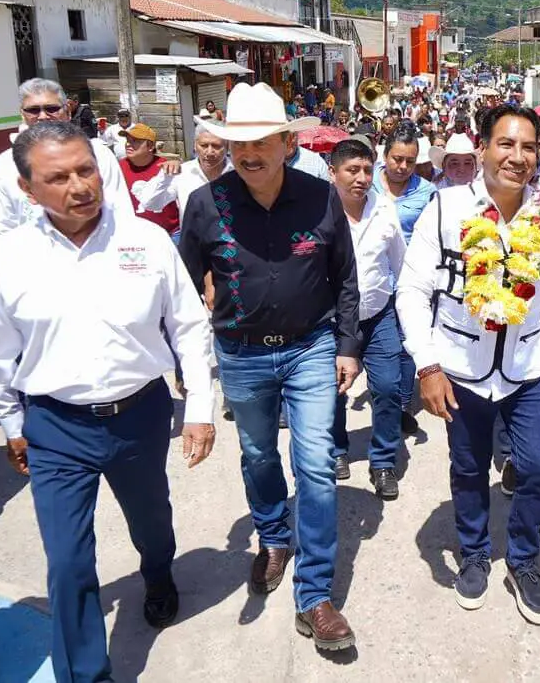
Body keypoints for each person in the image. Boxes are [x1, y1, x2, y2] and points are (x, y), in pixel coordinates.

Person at [0, 121, 217, 681]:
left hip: (141, 414)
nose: (79, 186)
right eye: (58, 177)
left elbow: (188, 326)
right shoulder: (10, 256)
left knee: (151, 519)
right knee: (67, 562)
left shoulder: (144, 240)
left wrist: (200, 410)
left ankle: (158, 572)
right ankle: (87, 673)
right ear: (28, 189)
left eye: (86, 170)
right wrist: (11, 422)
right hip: (56, 426)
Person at [177, 82, 361, 651]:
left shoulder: (320, 196)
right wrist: (187, 357)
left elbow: (345, 276)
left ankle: (315, 595)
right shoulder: (205, 204)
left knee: (317, 465)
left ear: (287, 143)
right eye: (239, 143)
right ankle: (274, 537)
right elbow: (180, 286)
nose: (249, 153)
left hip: (311, 348)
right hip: (240, 353)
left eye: (261, 141)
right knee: (258, 454)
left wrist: (347, 344)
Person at [396, 104, 540, 626]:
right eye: (506, 144)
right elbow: (412, 291)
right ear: (483, 149)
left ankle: (523, 559)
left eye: (529, 147)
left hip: (529, 366)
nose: (517, 157)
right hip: (459, 369)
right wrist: (427, 365)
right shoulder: (445, 209)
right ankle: (474, 553)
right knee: (469, 468)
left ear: (539, 155)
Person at [327, 137, 407, 497]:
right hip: (331, 322)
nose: (361, 178)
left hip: (379, 315)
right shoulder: (318, 212)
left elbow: (401, 263)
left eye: (366, 170)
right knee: (333, 391)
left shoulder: (385, 209)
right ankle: (336, 450)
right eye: (352, 170)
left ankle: (384, 461)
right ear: (333, 173)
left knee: (388, 389)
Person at [0, 79, 131, 237]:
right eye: (33, 110)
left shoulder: (99, 154)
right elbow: (2, 227)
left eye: (52, 108)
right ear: (23, 115)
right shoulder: (5, 163)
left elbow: (121, 212)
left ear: (68, 112)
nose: (43, 116)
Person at [374, 121, 437, 436]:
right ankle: (384, 397)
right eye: (397, 159)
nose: (402, 167)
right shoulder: (366, 182)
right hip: (371, 279)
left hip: (411, 280)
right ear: (385, 155)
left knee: (407, 340)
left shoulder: (427, 192)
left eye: (410, 161)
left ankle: (401, 405)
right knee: (378, 346)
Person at [133, 120, 232, 221]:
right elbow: (150, 204)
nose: (210, 152)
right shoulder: (182, 173)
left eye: (216, 146)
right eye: (204, 145)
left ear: (228, 147)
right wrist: (165, 176)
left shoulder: (237, 172)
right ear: (195, 145)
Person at [120, 122, 183, 237]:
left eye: (135, 141)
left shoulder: (166, 167)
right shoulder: (118, 168)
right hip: (135, 235)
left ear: (150, 146)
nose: (128, 144)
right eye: (127, 140)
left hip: (169, 234)